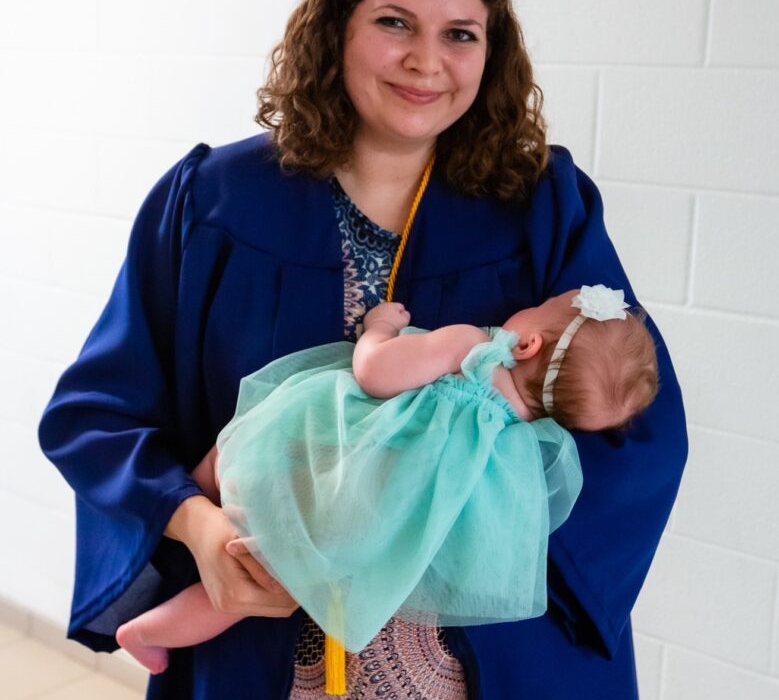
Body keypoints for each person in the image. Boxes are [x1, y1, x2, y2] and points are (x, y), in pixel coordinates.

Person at [39, 0, 687, 699]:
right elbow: (97, 418)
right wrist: (199, 526)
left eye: (459, 33)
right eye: (393, 22)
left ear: (490, 53)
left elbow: (633, 419)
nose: (425, 61)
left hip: (485, 668)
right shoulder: (214, 202)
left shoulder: (542, 204)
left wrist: (447, 531)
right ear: (336, 28)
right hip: (267, 653)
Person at [114, 285, 657, 675]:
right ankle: (151, 632)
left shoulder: (471, 348)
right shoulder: (521, 439)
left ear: (528, 344)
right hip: (368, 533)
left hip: (329, 465)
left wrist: (379, 329)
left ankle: (192, 500)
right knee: (265, 583)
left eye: (538, 306)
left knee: (242, 446)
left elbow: (374, 375)